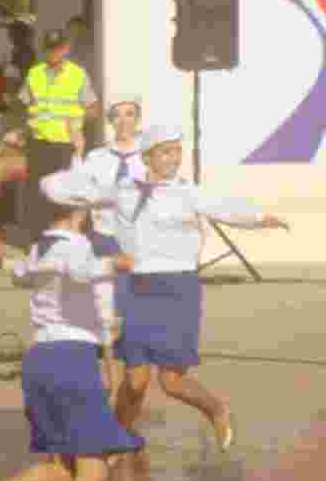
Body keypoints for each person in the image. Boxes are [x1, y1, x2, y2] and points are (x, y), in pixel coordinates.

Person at [110, 125, 289, 452]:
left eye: (176, 151)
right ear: (148, 156)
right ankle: (113, 439)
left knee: (171, 382)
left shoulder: (188, 192)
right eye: (166, 151)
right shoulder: (124, 190)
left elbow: (229, 208)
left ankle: (217, 409)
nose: (173, 158)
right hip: (136, 288)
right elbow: (91, 212)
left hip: (178, 289)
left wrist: (263, 217)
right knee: (134, 381)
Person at [0, 169, 143, 481]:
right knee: (93, 473)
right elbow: (81, 270)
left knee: (67, 469)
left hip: (41, 362)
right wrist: (116, 262)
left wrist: (1, 255)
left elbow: (20, 271)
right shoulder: (76, 248)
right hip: (71, 361)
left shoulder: (40, 248)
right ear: (81, 211)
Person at [73, 96, 145, 397]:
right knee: (105, 313)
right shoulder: (96, 158)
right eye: (118, 116)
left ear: (138, 119)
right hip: (104, 239)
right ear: (111, 121)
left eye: (130, 115)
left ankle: (132, 386)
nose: (124, 121)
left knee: (134, 315)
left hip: (138, 242)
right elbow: (79, 195)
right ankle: (109, 387)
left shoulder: (147, 157)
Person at [9, 29, 100, 238]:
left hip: (64, 145)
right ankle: (38, 240)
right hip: (38, 143)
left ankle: (65, 239)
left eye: (58, 49)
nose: (54, 53)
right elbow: (22, 103)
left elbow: (93, 108)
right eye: (50, 49)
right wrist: (20, 127)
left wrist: (78, 122)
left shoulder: (78, 74)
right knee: (38, 194)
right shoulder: (35, 73)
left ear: (66, 49)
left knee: (63, 194)